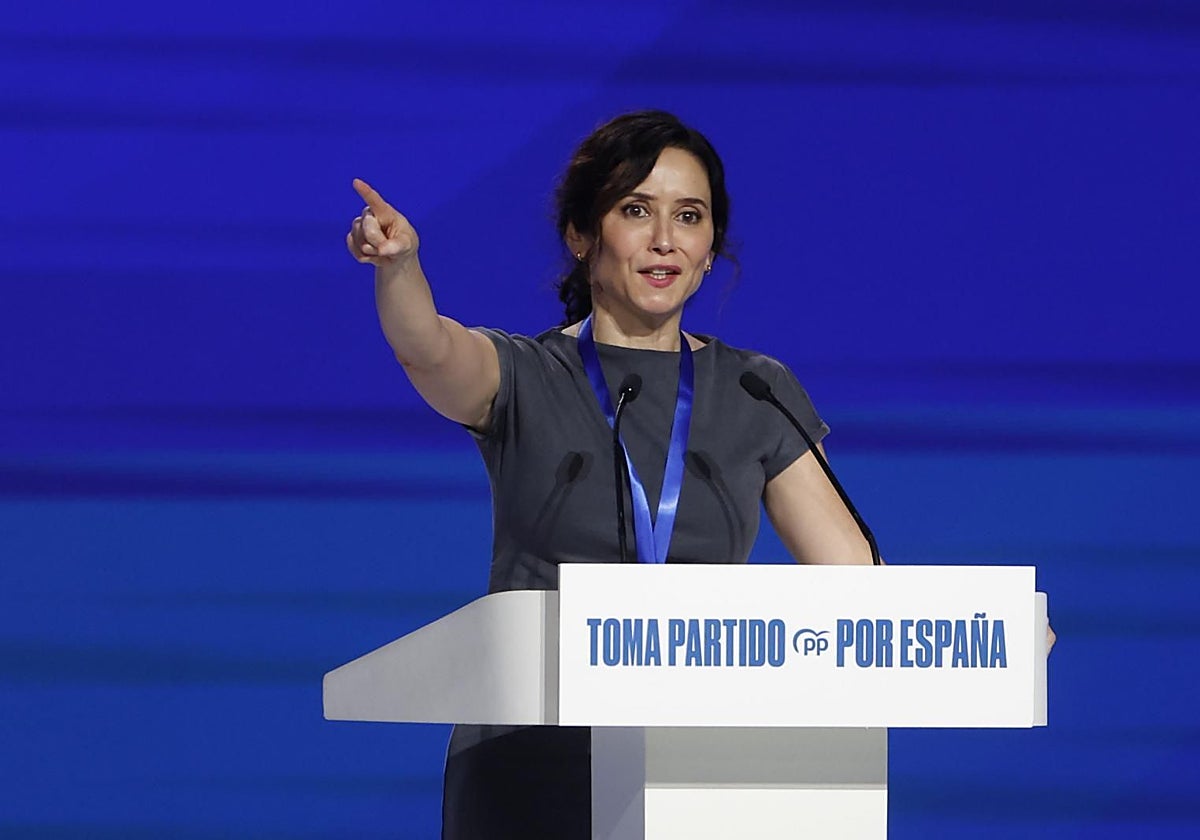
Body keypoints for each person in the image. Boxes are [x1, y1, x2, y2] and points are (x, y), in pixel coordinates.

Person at [347, 110, 875, 839]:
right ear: (582, 234)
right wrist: (400, 268)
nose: (665, 240)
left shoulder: (756, 390)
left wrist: (973, 628)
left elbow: (855, 580)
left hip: (703, 767)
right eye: (636, 211)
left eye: (689, 216)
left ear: (711, 242)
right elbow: (429, 350)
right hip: (532, 765)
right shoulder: (526, 377)